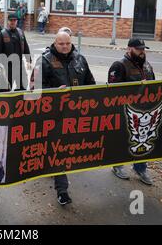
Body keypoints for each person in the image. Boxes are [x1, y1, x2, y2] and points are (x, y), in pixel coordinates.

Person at [31, 30, 96, 206]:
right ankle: (62, 191)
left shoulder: (80, 59)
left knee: (67, 149)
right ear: (55, 42)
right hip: (54, 116)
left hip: (76, 116)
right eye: (61, 43)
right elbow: (34, 90)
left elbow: (91, 84)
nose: (65, 46)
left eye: (67, 43)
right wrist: (53, 94)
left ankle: (49, 163)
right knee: (58, 150)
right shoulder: (44, 61)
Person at [109, 38, 155, 186]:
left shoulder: (147, 66)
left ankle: (141, 168)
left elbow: (155, 85)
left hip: (144, 111)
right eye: (138, 49)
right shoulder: (119, 65)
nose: (142, 52)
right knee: (122, 139)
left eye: (143, 49)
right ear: (129, 49)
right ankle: (117, 165)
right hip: (125, 111)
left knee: (143, 140)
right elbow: (112, 91)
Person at [0, 13, 31, 91]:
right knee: (5, 89)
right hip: (7, 66)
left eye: (15, 20)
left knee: (23, 86)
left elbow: (26, 47)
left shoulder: (20, 32)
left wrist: (29, 60)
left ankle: (20, 101)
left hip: (20, 65)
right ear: (8, 21)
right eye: (11, 20)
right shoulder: (2, 34)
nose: (13, 22)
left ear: (17, 21)